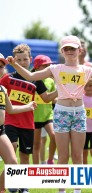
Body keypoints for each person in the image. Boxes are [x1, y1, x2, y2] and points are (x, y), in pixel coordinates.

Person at [6, 35, 92, 193]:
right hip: (61, 112)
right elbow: (31, 76)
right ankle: (61, 190)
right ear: (62, 51)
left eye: (73, 48)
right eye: (66, 48)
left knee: (77, 155)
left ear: (79, 51)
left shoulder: (86, 70)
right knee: (62, 155)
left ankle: (77, 190)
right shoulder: (56, 69)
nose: (69, 51)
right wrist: (14, 64)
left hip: (79, 114)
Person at [1, 44, 58, 193]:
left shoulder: (36, 80)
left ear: (30, 60)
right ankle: (11, 181)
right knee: (12, 149)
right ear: (14, 61)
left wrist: (62, 89)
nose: (22, 62)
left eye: (25, 59)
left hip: (27, 124)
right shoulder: (8, 78)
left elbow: (46, 98)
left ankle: (23, 186)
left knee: (25, 156)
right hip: (10, 120)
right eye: (18, 60)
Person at [0, 54, 37, 193]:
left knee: (13, 162)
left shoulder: (2, 90)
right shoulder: (5, 83)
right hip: (9, 126)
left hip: (1, 131)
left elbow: (10, 109)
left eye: (2, 67)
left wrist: (28, 107)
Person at [32, 55, 57, 165]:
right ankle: (36, 167)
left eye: (49, 66)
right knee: (36, 144)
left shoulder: (50, 81)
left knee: (54, 136)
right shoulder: (31, 80)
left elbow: (53, 98)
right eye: (45, 66)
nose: (48, 68)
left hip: (48, 116)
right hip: (35, 117)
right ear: (37, 67)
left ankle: (50, 160)